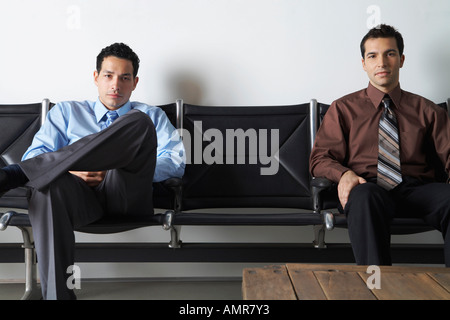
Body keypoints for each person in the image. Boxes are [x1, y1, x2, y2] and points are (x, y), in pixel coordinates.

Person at [0, 43, 185, 299]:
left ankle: (15, 174)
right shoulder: (66, 112)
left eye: (124, 78)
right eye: (108, 76)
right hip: (79, 200)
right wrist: (74, 172)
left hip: (127, 195)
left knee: (137, 122)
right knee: (46, 188)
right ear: (96, 77)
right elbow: (35, 157)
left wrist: (112, 168)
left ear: (135, 82)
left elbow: (175, 162)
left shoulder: (150, 116)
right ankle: (58, 297)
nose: (115, 85)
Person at [310, 25, 450, 266]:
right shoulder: (343, 109)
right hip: (368, 187)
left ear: (402, 60)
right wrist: (344, 174)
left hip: (416, 189)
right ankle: (377, 288)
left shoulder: (428, 111)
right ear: (363, 63)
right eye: (373, 56)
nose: (382, 62)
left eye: (390, 53)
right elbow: (320, 159)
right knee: (364, 196)